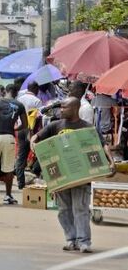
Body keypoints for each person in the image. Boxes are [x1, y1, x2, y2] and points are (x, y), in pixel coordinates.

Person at [31, 97, 115, 253]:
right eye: (61, 107)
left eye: (64, 107)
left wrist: (111, 162)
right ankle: (71, 239)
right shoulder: (55, 125)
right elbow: (36, 137)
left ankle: (84, 242)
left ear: (75, 109)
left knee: (80, 209)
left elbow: (103, 144)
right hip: (62, 176)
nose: (61, 110)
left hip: (81, 176)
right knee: (64, 210)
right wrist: (33, 142)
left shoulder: (87, 128)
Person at [16, 81, 43, 189]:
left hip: (20, 129)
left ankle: (20, 181)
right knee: (38, 153)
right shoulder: (37, 101)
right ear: (36, 89)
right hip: (32, 131)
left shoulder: (19, 99)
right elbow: (39, 117)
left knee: (21, 155)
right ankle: (36, 177)